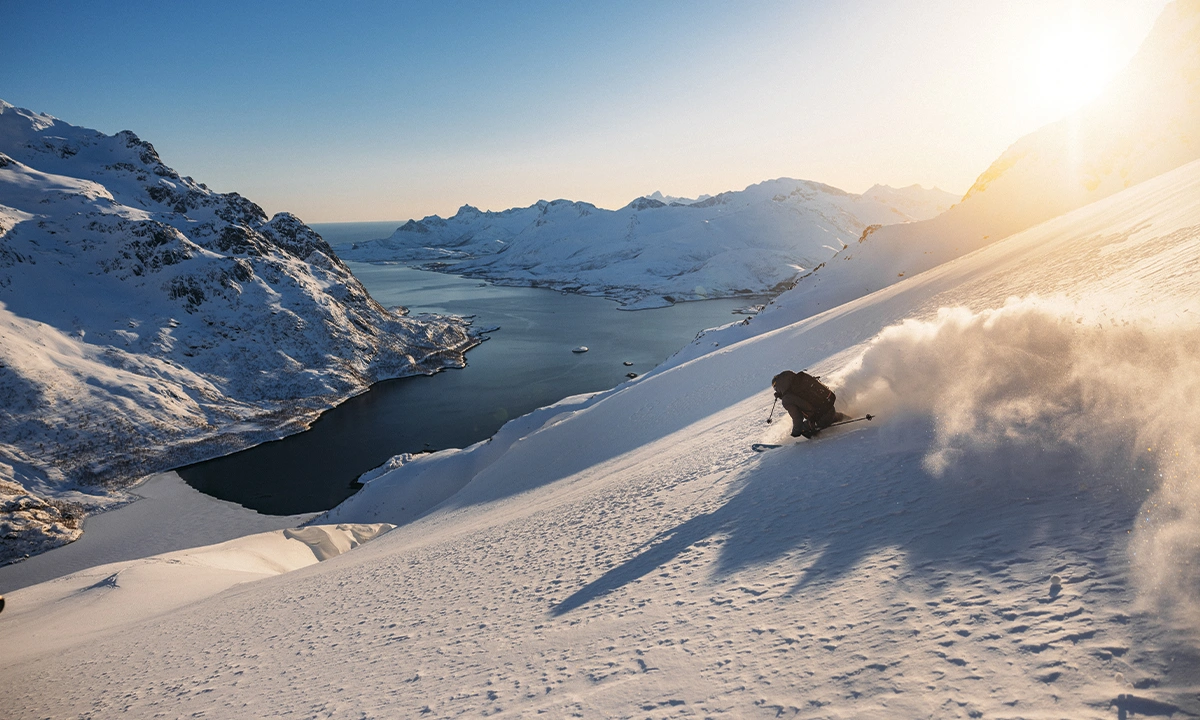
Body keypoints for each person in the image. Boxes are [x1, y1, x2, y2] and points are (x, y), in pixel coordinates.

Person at [771, 370, 846, 438]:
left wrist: (796, 432)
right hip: (830, 408)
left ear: (778, 386)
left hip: (821, 418)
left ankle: (821, 442)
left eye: (775, 388)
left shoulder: (787, 399)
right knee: (829, 414)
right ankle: (847, 417)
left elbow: (797, 417)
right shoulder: (799, 381)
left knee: (803, 429)